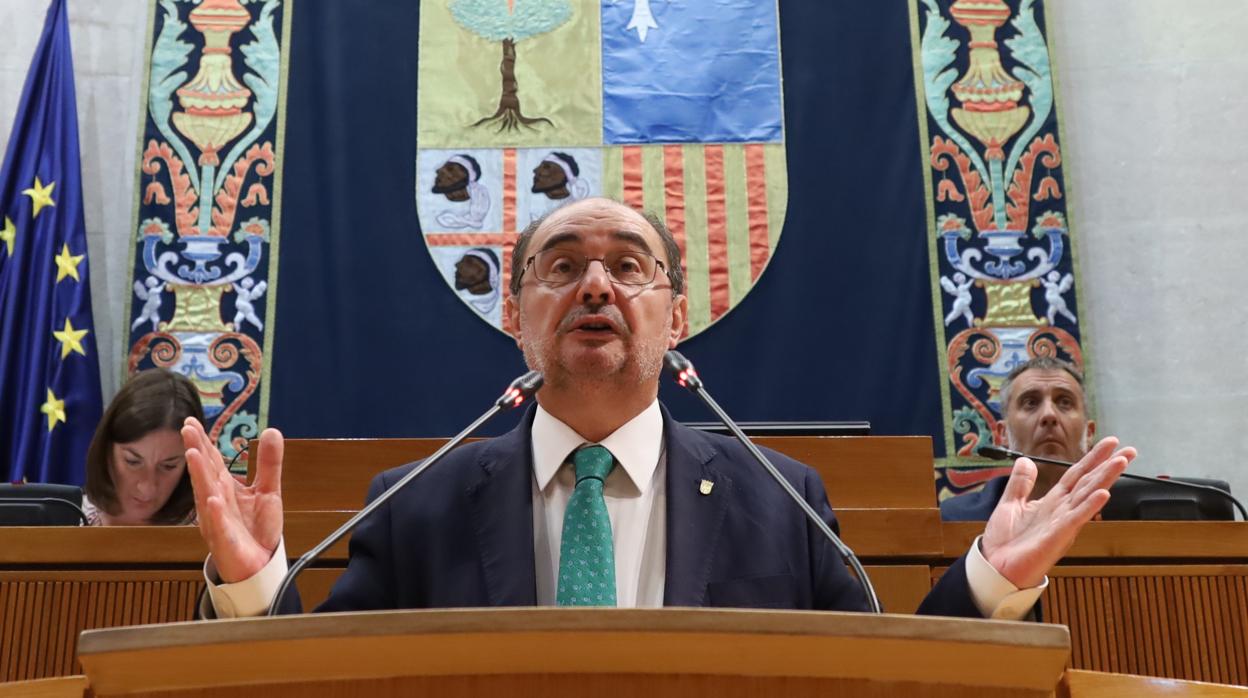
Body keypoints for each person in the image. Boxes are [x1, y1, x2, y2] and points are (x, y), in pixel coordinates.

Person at [182, 197, 1133, 618]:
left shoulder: (780, 498)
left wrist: (987, 582)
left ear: (672, 316)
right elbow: (323, 682)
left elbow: (885, 675)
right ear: (518, 317)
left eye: (628, 267)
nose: (596, 284)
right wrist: (257, 585)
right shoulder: (417, 502)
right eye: (562, 267)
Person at [942, 356, 1096, 521]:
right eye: (1030, 402)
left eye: (1065, 402)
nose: (1049, 414)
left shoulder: (1122, 513)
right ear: (1003, 434)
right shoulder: (954, 519)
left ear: (1089, 433)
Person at [83, 368, 203, 526]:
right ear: (106, 450)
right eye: (132, 462)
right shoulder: (67, 520)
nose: (147, 488)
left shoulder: (211, 533)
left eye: (169, 466)